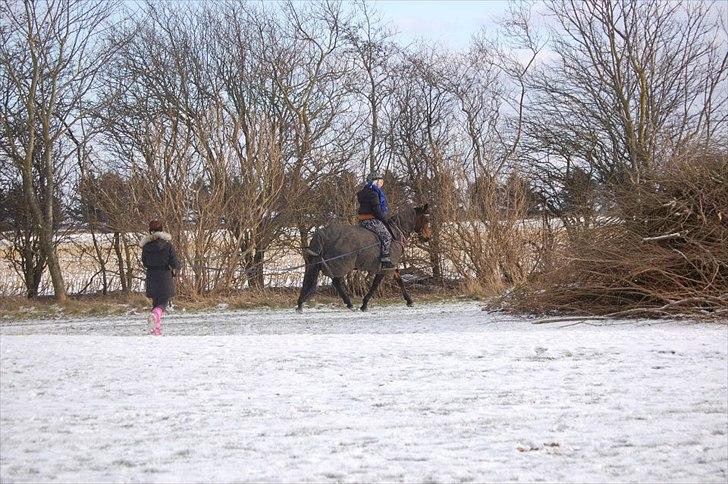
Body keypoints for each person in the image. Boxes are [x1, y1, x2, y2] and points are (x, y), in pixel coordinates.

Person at [141, 220, 181, 335]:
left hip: (151, 276)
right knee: (163, 302)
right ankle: (155, 317)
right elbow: (174, 262)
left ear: (150, 230)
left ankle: (156, 330)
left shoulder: (146, 246)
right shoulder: (167, 245)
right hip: (164, 276)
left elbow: (144, 262)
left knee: (156, 302)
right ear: (161, 230)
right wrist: (176, 269)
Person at [357, 172, 395, 270]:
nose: (382, 184)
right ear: (375, 182)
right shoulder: (373, 194)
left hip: (362, 220)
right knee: (387, 236)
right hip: (371, 220)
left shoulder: (364, 192)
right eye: (380, 181)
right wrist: (385, 220)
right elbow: (377, 211)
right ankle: (385, 259)